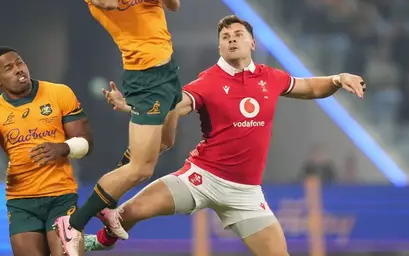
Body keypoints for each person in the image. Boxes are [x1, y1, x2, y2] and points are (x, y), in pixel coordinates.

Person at [87, 15, 366, 256]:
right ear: (219, 46)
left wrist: (338, 79)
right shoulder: (208, 80)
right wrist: (138, 106)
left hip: (246, 193)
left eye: (238, 34)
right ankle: (97, 243)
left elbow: (309, 87)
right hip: (201, 177)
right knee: (129, 213)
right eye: (225, 36)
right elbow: (177, 104)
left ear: (252, 43)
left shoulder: (271, 77)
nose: (232, 39)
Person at [55, 0, 183, 255]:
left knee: (166, 141)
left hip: (168, 68)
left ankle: (105, 202)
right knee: (143, 167)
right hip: (145, 76)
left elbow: (173, 2)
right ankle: (74, 224)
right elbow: (109, 0)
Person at [0, 47, 94, 256]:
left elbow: (87, 142)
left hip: (61, 196)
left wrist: (63, 147)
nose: (18, 69)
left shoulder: (60, 93)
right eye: (9, 68)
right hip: (21, 202)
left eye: (19, 63)